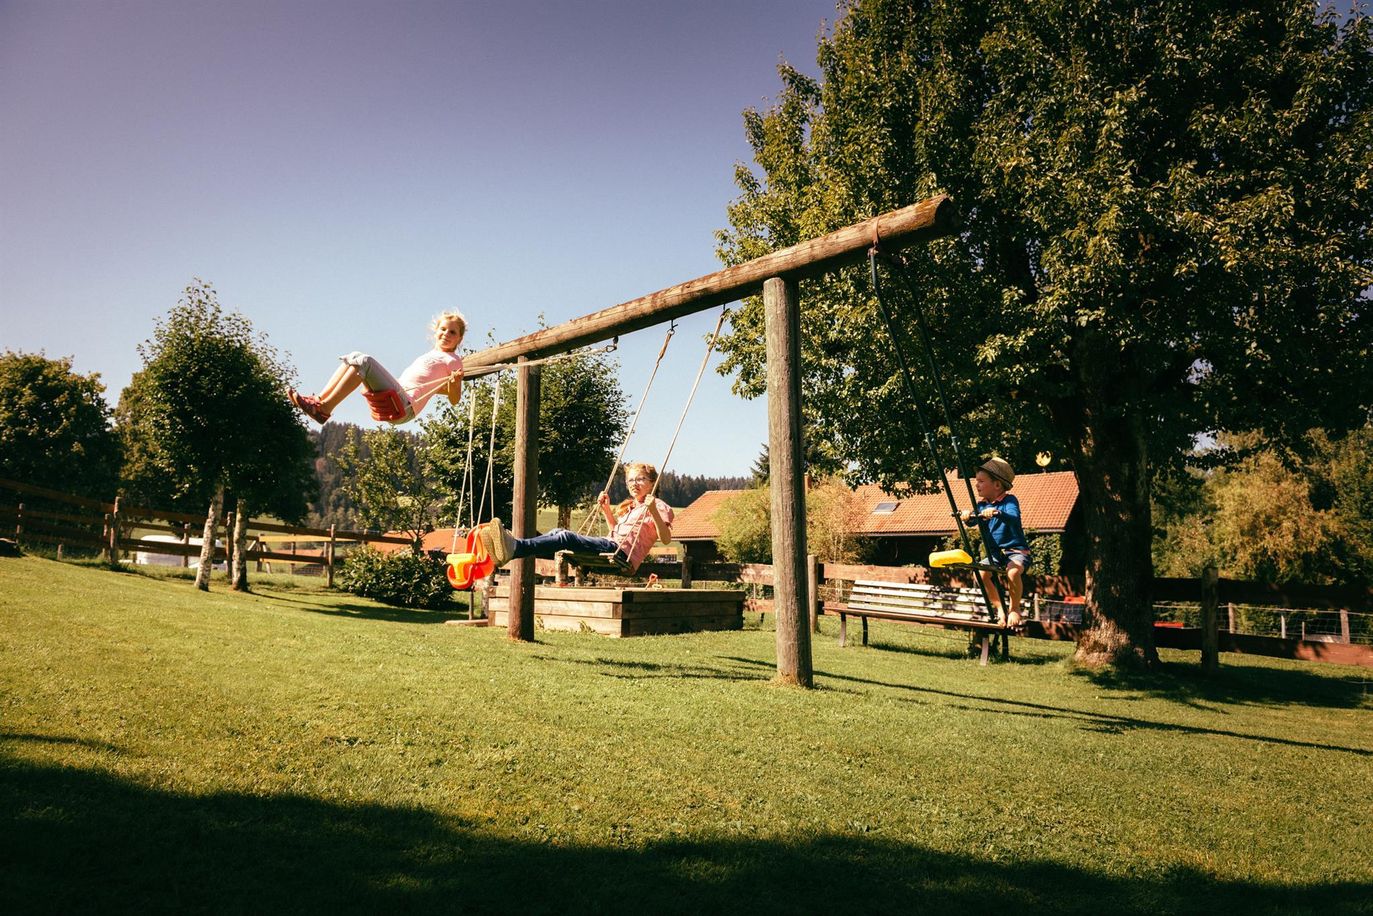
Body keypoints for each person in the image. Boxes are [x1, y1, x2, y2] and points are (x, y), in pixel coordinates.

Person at [479, 462, 673, 574]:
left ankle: (514, 547)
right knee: (557, 533)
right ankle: (509, 551)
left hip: (622, 556)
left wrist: (653, 510)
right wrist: (606, 509)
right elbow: (615, 531)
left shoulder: (659, 506)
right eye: (630, 480)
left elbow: (665, 538)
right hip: (611, 546)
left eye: (640, 479)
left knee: (565, 538)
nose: (634, 484)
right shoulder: (631, 507)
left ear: (652, 483)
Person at [288, 310, 466, 425]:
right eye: (443, 329)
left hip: (404, 405)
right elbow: (431, 385)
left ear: (459, 339)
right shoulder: (429, 356)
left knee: (364, 361)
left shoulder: (452, 360)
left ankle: (325, 408)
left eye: (453, 332)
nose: (446, 334)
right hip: (396, 398)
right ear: (435, 332)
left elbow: (454, 399)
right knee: (354, 357)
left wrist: (456, 383)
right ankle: (319, 402)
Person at [960, 457, 1031, 628]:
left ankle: (1014, 608)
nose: (977, 485)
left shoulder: (1009, 501)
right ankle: (1000, 608)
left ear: (997, 485)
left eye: (981, 481)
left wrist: (997, 512)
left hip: (1015, 551)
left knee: (1013, 573)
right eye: (976, 481)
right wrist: (966, 516)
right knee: (981, 575)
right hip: (995, 555)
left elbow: (1013, 518)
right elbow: (972, 521)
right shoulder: (981, 505)